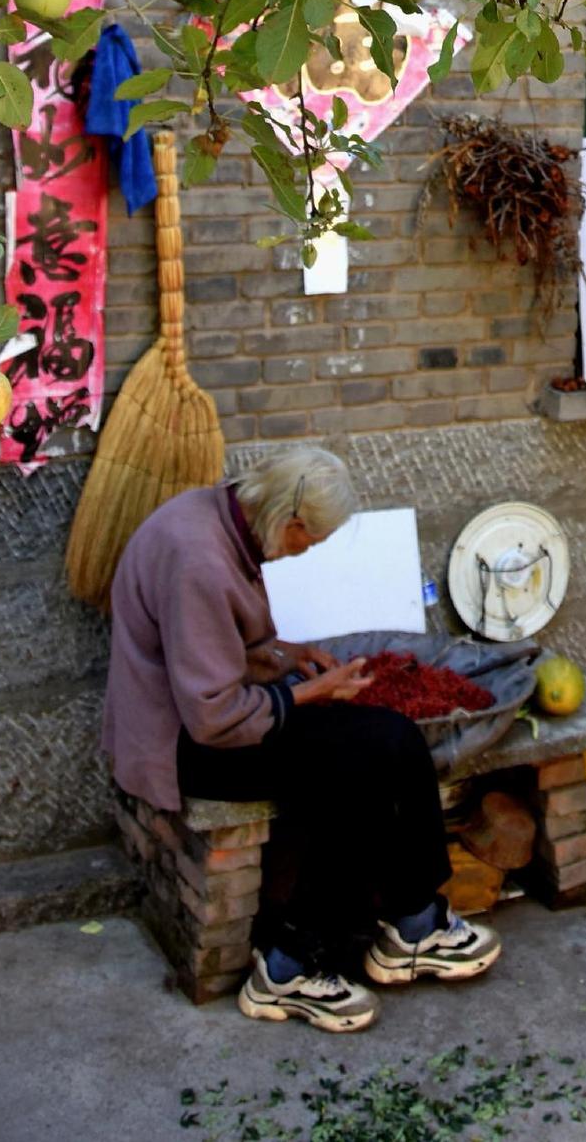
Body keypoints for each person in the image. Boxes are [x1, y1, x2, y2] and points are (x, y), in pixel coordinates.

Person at [102, 441, 500, 1032]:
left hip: (217, 717)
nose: (304, 550)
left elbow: (218, 649)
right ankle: (289, 966)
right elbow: (213, 715)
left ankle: (415, 921)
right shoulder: (200, 562)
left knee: (395, 738)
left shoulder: (220, 515)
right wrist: (312, 691)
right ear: (287, 521)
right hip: (185, 745)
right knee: (355, 770)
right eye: (306, 539)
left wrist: (285, 657)